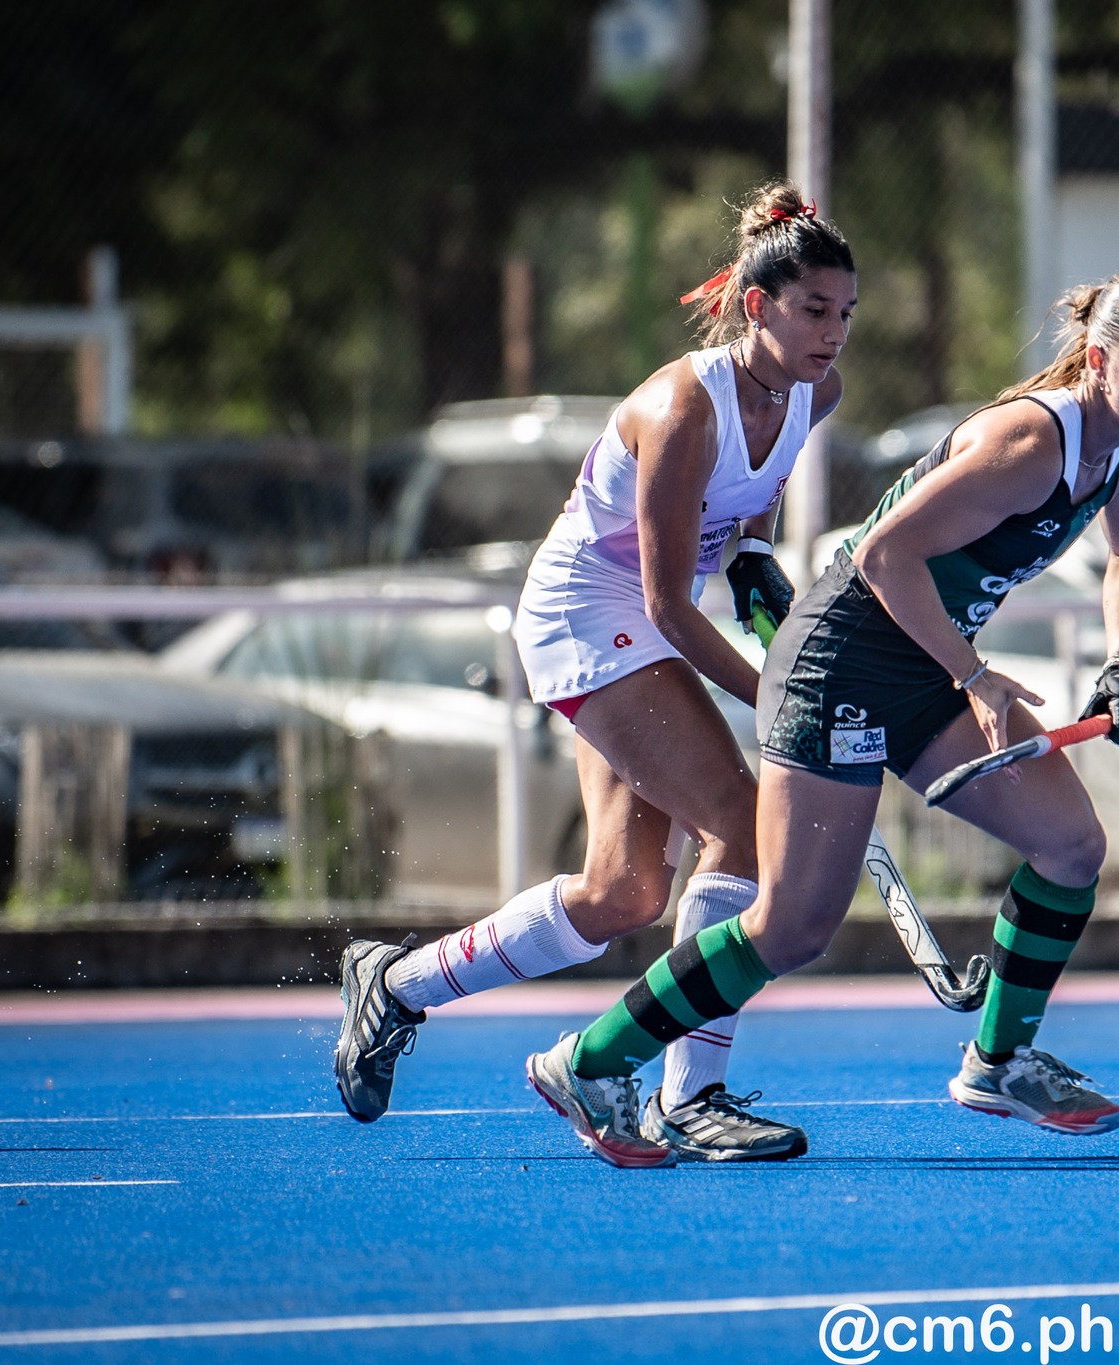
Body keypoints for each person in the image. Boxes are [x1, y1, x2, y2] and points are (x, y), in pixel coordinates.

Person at [525, 266, 1119, 1163]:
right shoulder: (1032, 442)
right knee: (791, 928)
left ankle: (998, 1061)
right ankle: (589, 1061)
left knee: (1072, 846)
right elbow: (883, 555)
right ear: (1099, 360)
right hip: (839, 661)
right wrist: (974, 672)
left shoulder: (1118, 457)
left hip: (920, 667)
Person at [334, 182, 857, 1165]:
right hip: (588, 609)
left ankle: (395, 985)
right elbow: (665, 607)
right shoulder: (681, 409)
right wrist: (778, 698)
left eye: (845, 314)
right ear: (757, 305)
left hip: (642, 618)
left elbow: (750, 503)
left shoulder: (812, 392)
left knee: (623, 893)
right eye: (813, 310)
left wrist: (752, 552)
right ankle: (688, 1097)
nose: (832, 334)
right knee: (740, 822)